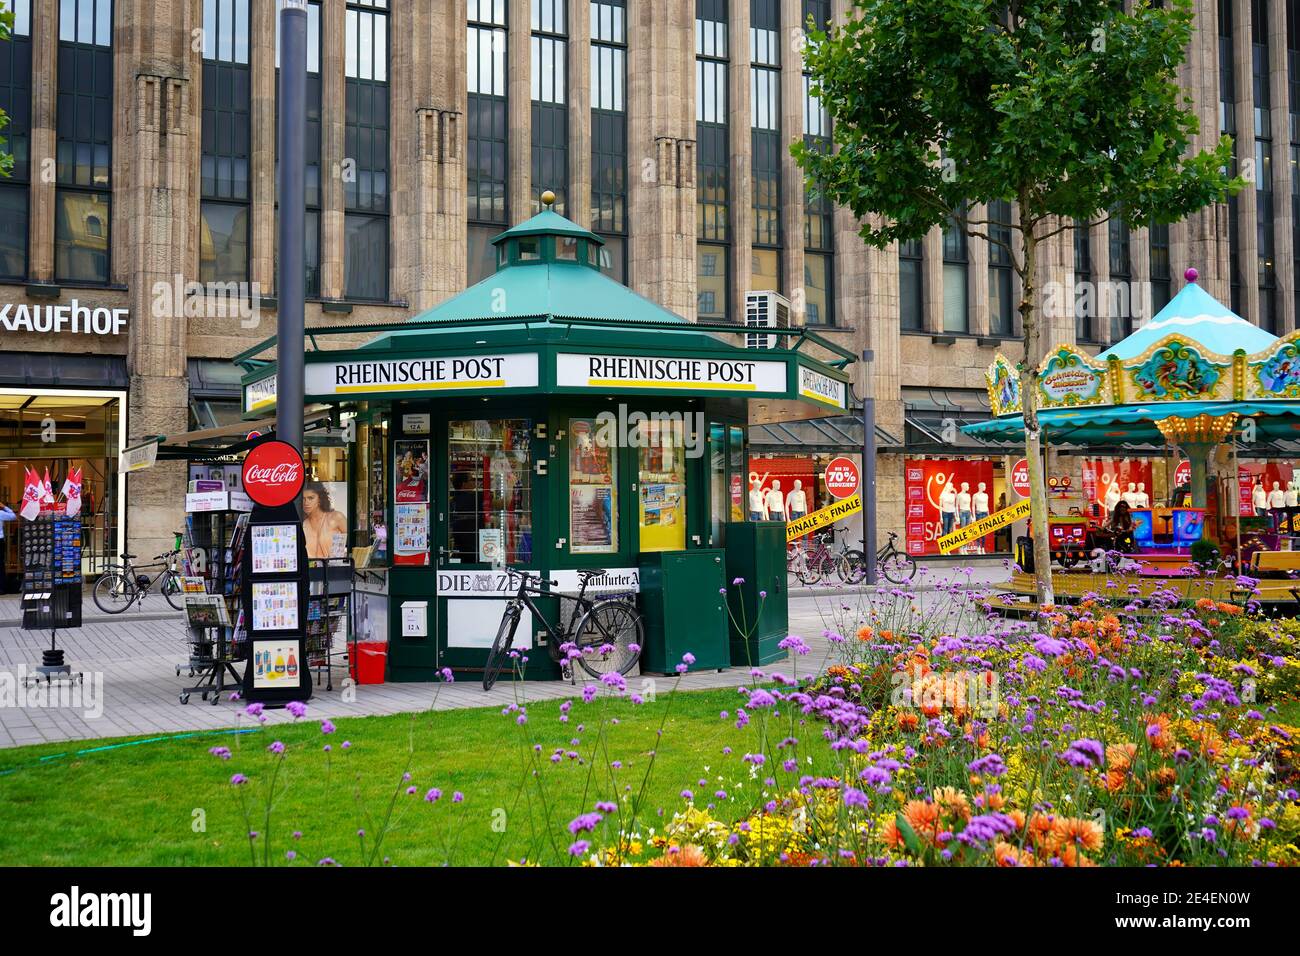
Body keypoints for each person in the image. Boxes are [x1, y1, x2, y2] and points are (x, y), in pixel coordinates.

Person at [302, 481, 348, 559]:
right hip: (310, 569)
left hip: (333, 569)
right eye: (303, 499)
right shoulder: (303, 524)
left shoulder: (336, 517)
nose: (306, 502)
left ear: (319, 499)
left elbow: (351, 543)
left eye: (311, 498)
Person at [0, 501, 15, 594]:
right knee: (0, 565)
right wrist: (4, 507)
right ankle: (1, 588)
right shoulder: (0, 513)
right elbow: (13, 516)